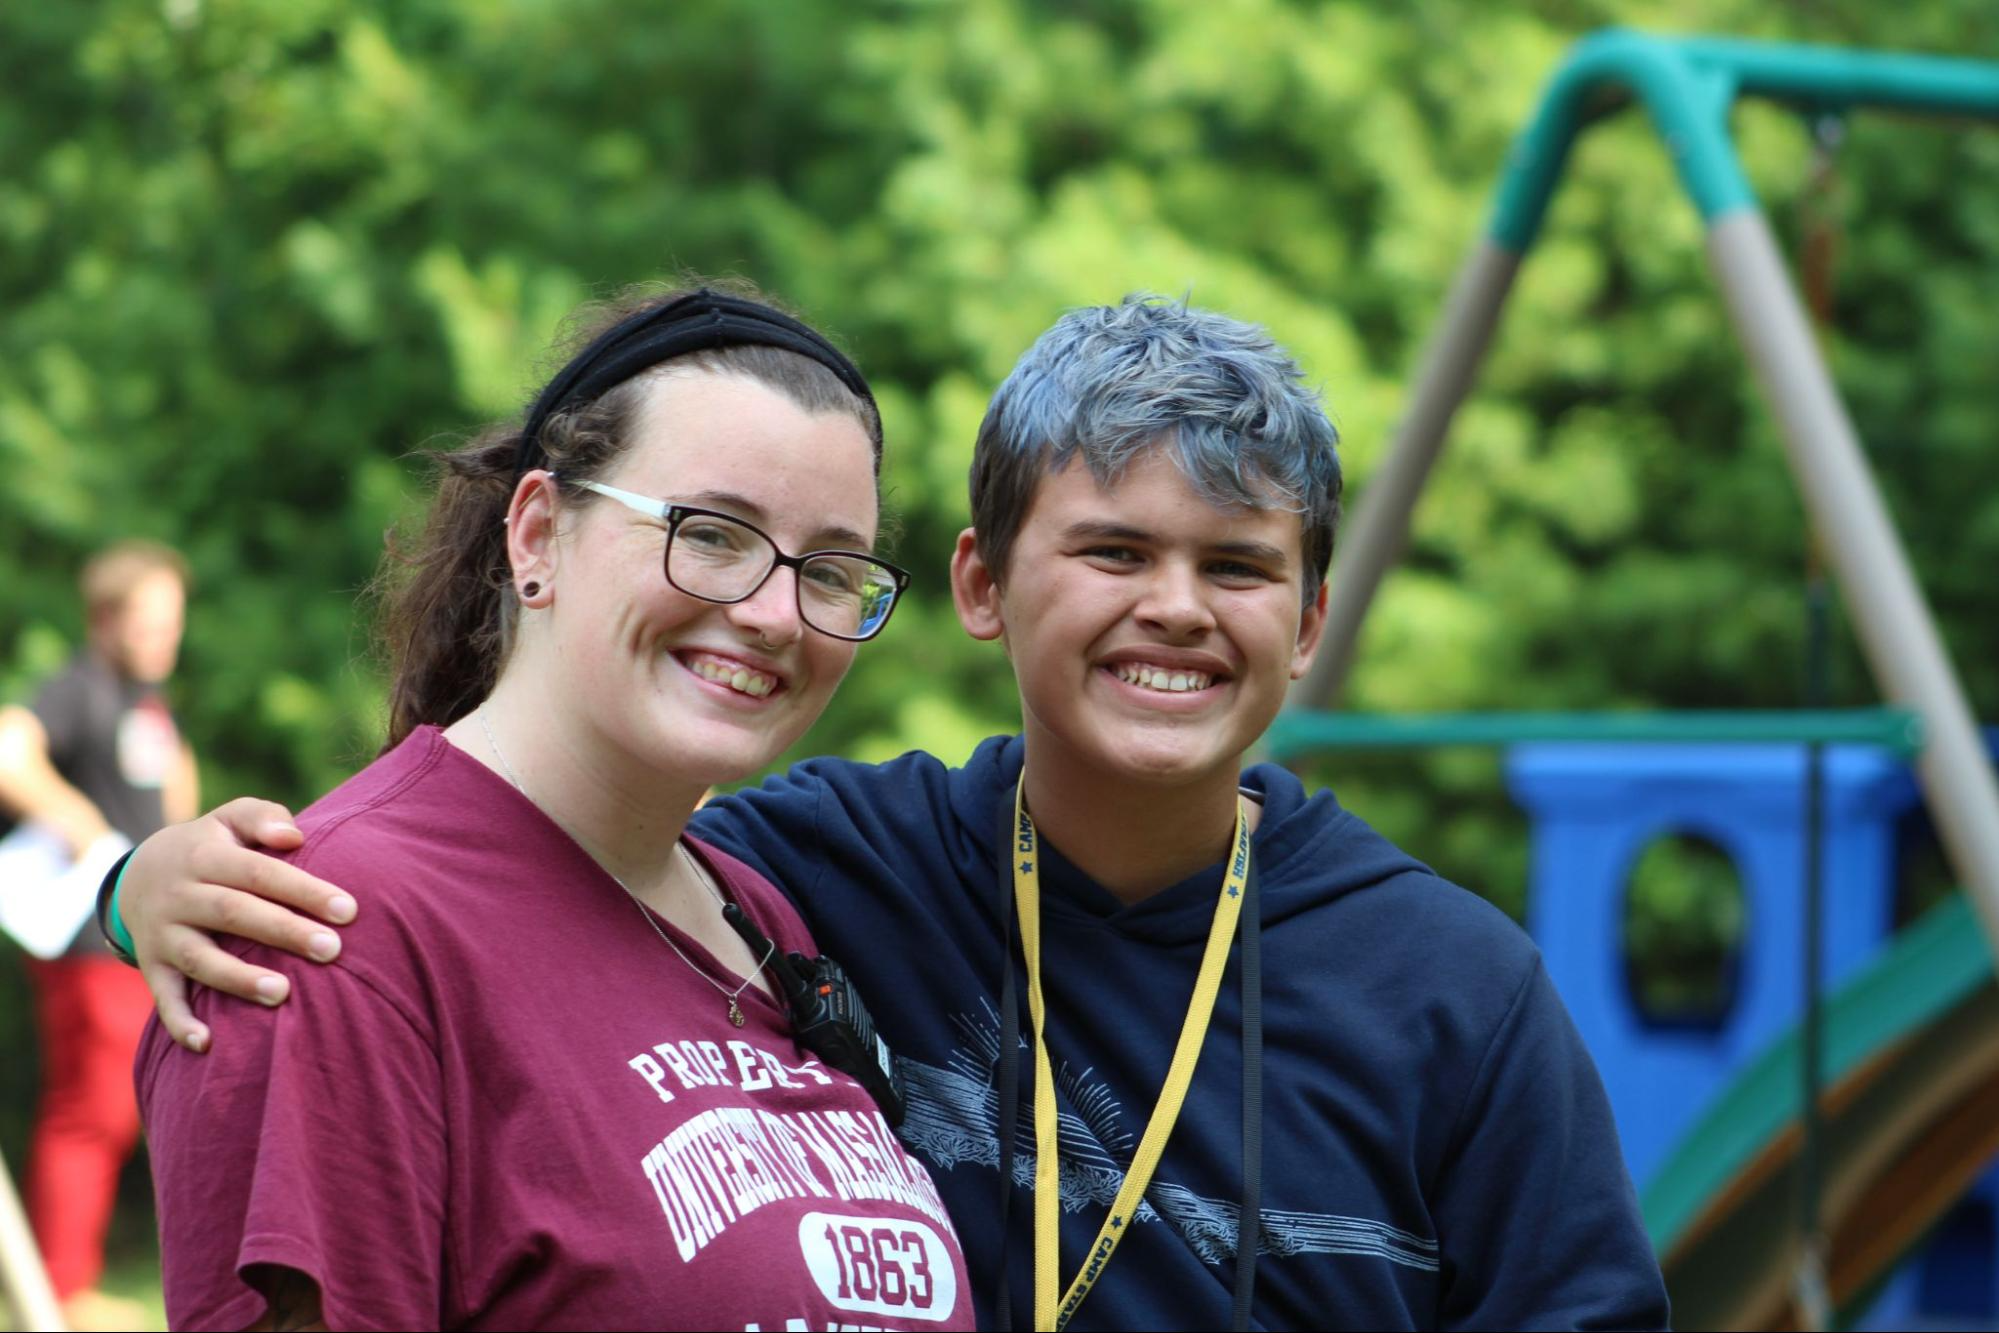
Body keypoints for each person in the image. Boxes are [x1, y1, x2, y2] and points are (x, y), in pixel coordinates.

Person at [109, 297, 1669, 1329]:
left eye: (1239, 567)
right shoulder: (833, 873)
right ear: (984, 589)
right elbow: (466, 875)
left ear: (1312, 615)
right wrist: (131, 882)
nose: (1175, 611)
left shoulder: (1456, 992)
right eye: (1113, 552)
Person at [125, 284, 972, 1331]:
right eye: (711, 533)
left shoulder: (760, 913)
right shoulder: (324, 930)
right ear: (536, 535)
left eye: (831, 569)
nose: (771, 613)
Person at [0, 539, 196, 1331]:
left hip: (134, 937)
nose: (164, 638)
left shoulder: (145, 701)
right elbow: (10, 748)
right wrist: (71, 813)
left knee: (130, 1102)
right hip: (87, 935)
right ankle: (64, 1289)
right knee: (94, 1108)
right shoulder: (80, 687)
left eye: (171, 623)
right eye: (150, 622)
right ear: (106, 620)